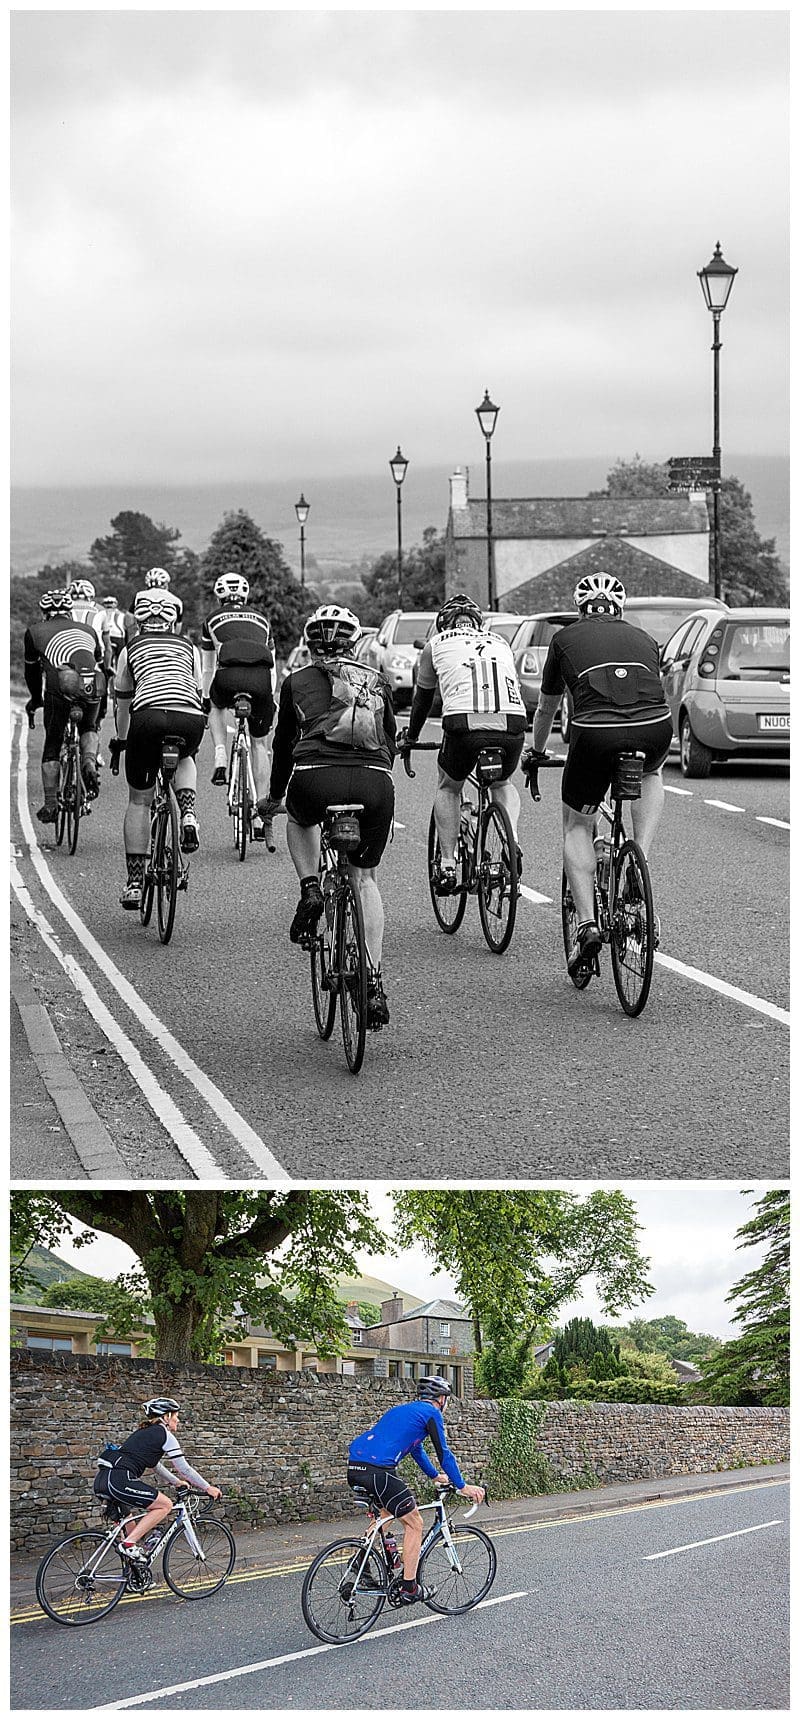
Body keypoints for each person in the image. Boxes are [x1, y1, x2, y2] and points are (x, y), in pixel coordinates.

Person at [525, 572, 673, 976]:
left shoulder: (563, 639)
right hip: (655, 726)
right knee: (652, 774)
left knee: (577, 824)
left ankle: (588, 925)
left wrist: (537, 752)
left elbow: (547, 709)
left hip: (595, 734)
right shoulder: (644, 638)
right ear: (619, 610)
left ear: (581, 609)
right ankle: (638, 856)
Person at [260, 604, 396, 1028]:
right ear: (354, 642)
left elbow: (283, 747)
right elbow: (389, 744)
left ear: (311, 645)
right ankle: (372, 982)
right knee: (365, 879)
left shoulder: (296, 681)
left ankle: (309, 888)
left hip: (315, 778)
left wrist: (274, 797)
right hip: (374, 783)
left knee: (300, 820)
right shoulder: (377, 682)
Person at [397, 593, 526, 890]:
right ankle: (511, 841)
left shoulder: (436, 644)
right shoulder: (500, 642)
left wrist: (412, 737)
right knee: (502, 784)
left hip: (464, 724)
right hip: (513, 722)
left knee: (449, 786)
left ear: (444, 625)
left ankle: (447, 865)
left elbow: (422, 700)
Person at [347, 1375, 484, 1605]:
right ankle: (409, 1588)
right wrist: (462, 1486)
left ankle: (360, 1558)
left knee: (387, 1513)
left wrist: (434, 1476)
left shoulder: (404, 1411)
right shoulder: (432, 1414)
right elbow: (444, 1453)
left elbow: (417, 1450)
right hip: (379, 1470)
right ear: (441, 1399)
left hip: (355, 1468)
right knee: (415, 1523)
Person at [110, 589, 205, 908]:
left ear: (139, 620)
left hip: (147, 717)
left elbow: (123, 704)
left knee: (139, 800)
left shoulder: (130, 648)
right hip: (188, 717)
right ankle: (188, 812)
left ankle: (135, 882)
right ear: (173, 622)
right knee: (186, 756)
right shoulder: (189, 647)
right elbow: (197, 689)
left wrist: (122, 741)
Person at [200, 572, 277, 845]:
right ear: (246, 596)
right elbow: (273, 667)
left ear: (219, 595)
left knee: (216, 706)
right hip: (260, 681)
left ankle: (221, 754)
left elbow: (208, 666)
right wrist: (269, 696)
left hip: (228, 676)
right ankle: (259, 812)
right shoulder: (263, 620)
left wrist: (206, 696)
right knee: (259, 745)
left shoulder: (211, 620)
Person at [98, 1397, 221, 1563]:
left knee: (131, 1529)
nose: (178, 1419)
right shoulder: (164, 1434)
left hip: (104, 1481)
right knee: (165, 1505)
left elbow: (155, 1466)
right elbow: (184, 1468)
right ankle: (127, 1544)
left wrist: (176, 1482)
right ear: (167, 1416)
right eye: (176, 1415)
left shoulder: (144, 1433)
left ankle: (133, 1575)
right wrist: (208, 1488)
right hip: (120, 1480)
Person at [23, 589, 105, 819]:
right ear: (70, 611)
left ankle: (50, 805)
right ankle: (89, 762)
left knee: (53, 743)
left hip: (59, 688)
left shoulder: (34, 632)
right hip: (92, 683)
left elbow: (31, 673)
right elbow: (98, 660)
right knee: (89, 727)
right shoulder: (88, 630)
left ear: (44, 612)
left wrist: (35, 700)